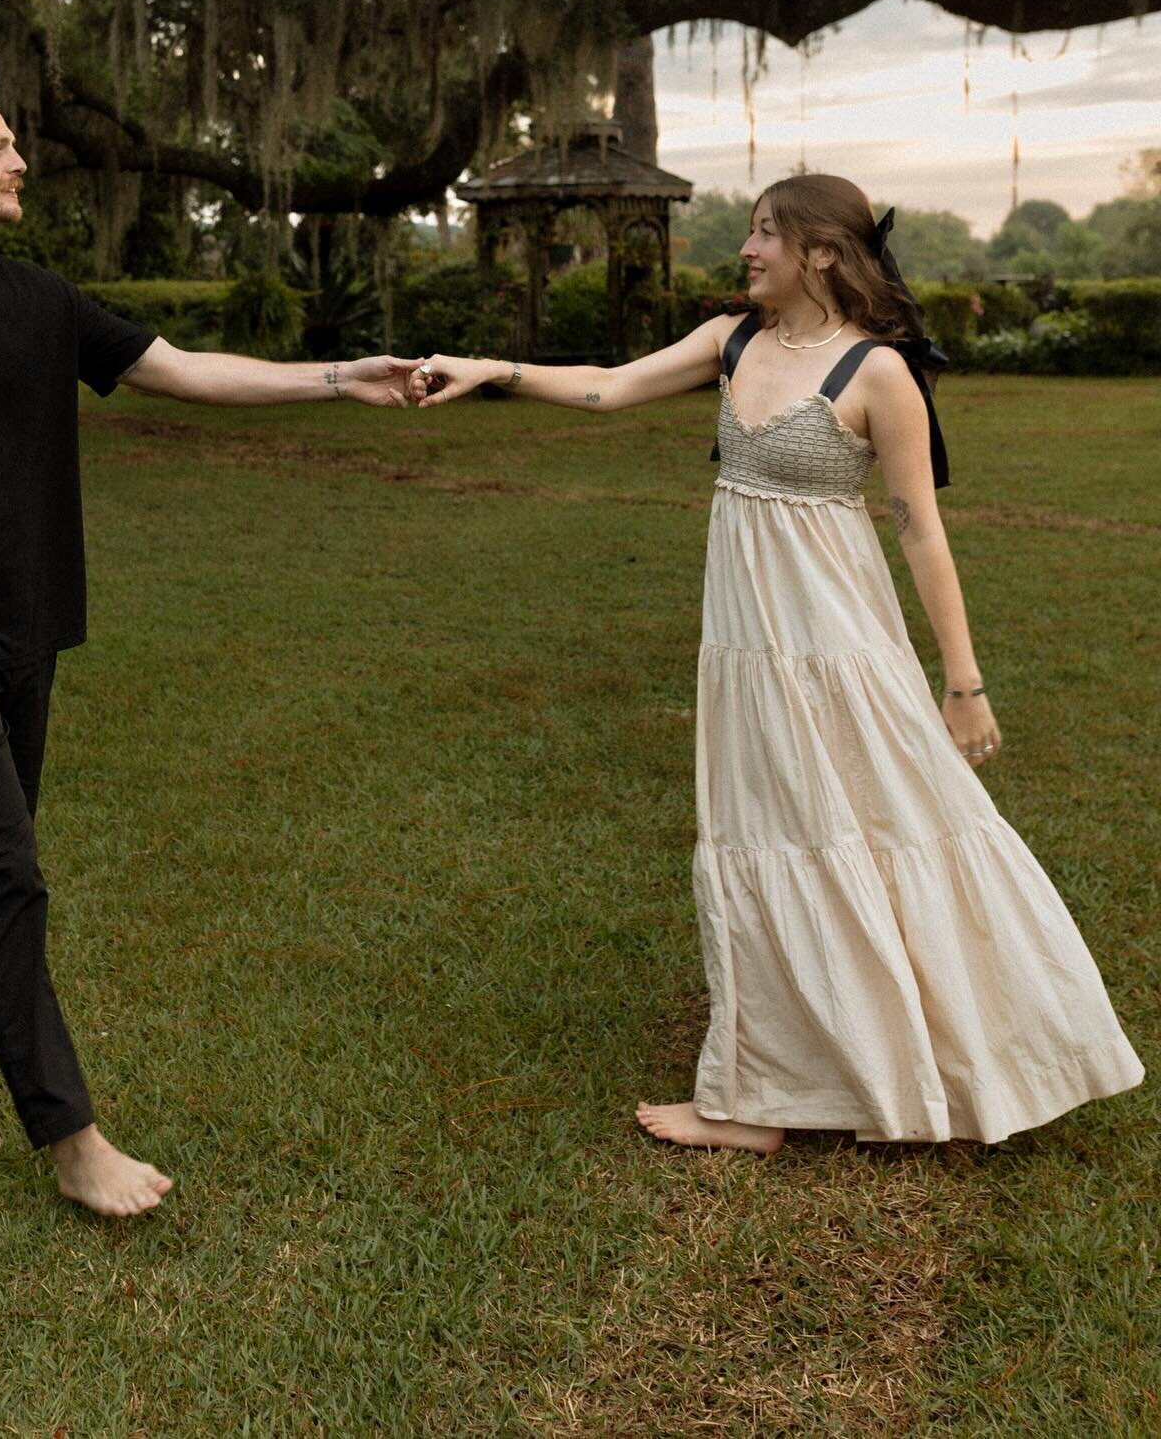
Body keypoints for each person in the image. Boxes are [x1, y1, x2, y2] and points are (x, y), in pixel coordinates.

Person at [0, 86, 422, 1216]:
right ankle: (70, 1133)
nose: (20, 161)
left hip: (30, 626)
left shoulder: (41, 301)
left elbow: (188, 368)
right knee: (8, 870)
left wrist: (343, 377)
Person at [413, 173, 1142, 1152]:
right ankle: (763, 1092)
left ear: (823, 254)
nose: (747, 250)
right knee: (761, 835)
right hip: (747, 647)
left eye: (765, 235)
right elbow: (606, 385)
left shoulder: (878, 372)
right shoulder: (734, 340)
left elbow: (921, 529)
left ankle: (978, 1048)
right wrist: (485, 365)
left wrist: (962, 682)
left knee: (891, 823)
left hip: (839, 644)